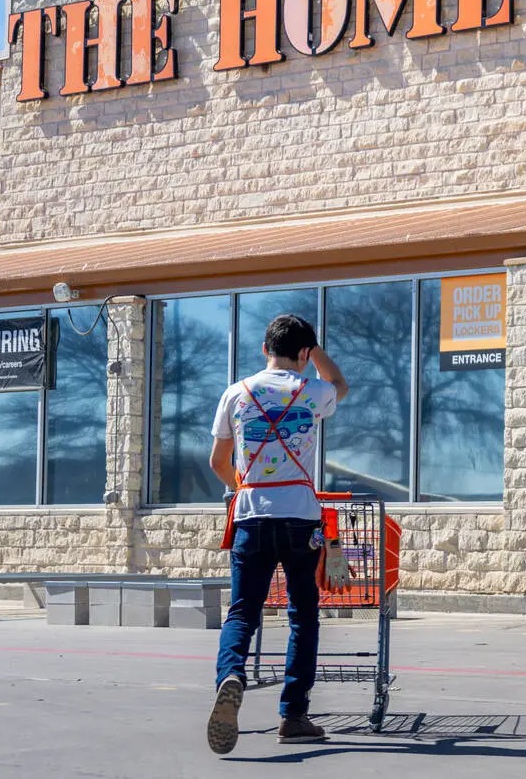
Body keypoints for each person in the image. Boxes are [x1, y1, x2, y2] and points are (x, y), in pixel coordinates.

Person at [204, 313, 349, 754]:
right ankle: (294, 714)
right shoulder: (312, 391)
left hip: (250, 513)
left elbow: (216, 462)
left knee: (243, 613)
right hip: (300, 517)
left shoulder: (236, 393)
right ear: (304, 353)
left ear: (265, 349)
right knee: (303, 616)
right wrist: (315, 349)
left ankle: (231, 675)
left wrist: (245, 488)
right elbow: (339, 384)